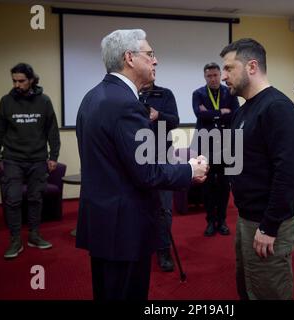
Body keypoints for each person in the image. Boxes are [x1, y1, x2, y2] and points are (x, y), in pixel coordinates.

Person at [75, 29, 208, 301]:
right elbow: (146, 172)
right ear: (129, 58)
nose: (155, 60)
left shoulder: (93, 97)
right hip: (124, 227)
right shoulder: (125, 104)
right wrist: (190, 170)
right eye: (150, 54)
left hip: (103, 220)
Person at [220, 38, 294, 300]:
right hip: (247, 218)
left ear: (252, 66)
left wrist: (269, 227)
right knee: (249, 286)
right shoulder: (244, 111)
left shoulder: (277, 108)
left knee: (269, 291)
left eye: (229, 68)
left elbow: (288, 175)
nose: (223, 76)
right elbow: (241, 157)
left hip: (269, 222)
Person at [0, 63, 61, 259]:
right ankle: (15, 240)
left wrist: (53, 156)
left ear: (31, 80)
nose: (17, 85)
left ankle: (34, 235)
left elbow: (52, 130)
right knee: (12, 199)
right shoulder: (6, 101)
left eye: (21, 81)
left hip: (38, 159)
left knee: (35, 198)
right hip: (12, 159)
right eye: (14, 81)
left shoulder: (44, 101)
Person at [192, 62, 240, 237]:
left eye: (215, 75)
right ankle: (211, 221)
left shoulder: (230, 92)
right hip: (205, 143)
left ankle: (223, 220)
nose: (213, 79)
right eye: (209, 76)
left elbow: (236, 113)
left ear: (220, 75)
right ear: (205, 77)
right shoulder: (198, 93)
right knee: (208, 183)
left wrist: (211, 112)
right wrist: (221, 111)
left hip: (226, 143)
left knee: (224, 184)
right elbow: (200, 114)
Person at [139, 81, 179, 272]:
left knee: (164, 208)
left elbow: (175, 121)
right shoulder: (131, 94)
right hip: (137, 156)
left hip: (163, 156)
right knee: (139, 205)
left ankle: (163, 250)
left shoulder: (165, 94)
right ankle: (143, 245)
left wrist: (158, 115)